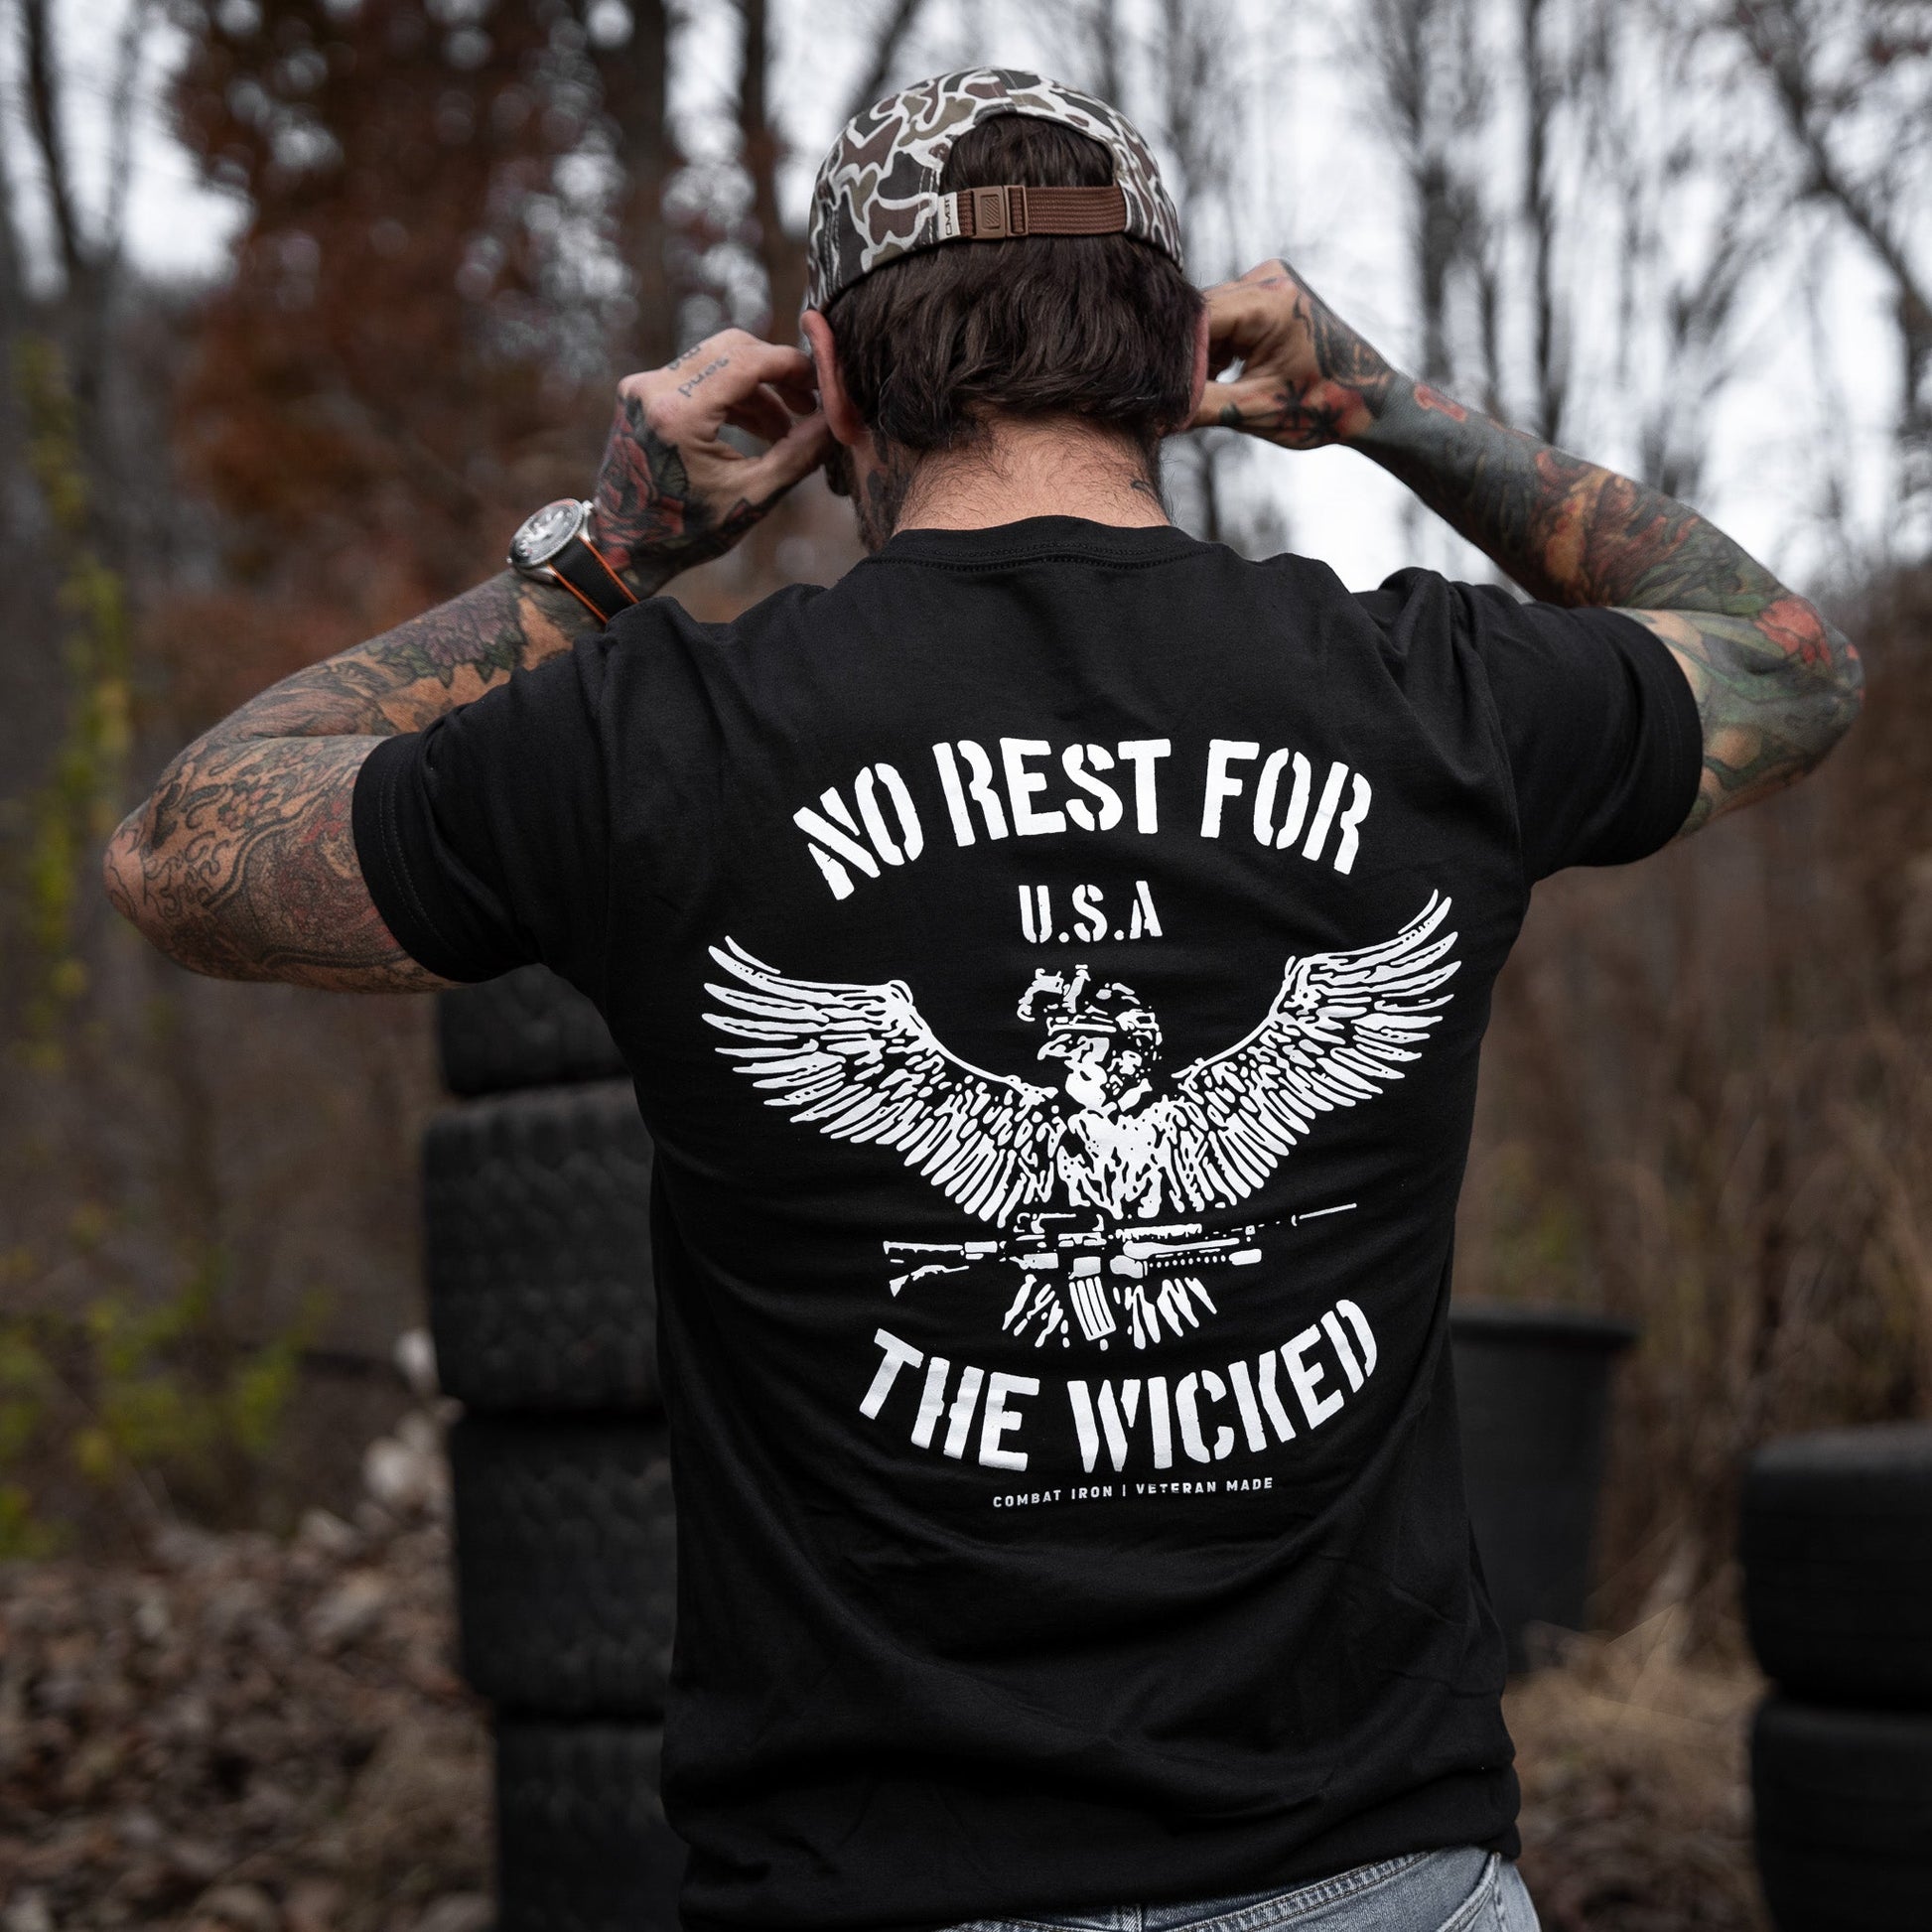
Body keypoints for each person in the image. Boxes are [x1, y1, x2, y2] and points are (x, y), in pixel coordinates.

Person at [105, 68, 1860, 1932]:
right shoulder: (1421, 694)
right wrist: (1377, 406)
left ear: (832, 383)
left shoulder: (667, 739)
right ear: (1176, 359)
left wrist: (611, 552)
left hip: (871, 1887)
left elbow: (183, 849)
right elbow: (1783, 664)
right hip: (1374, 1877)